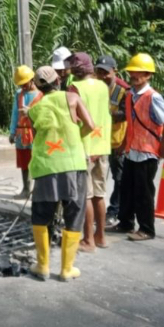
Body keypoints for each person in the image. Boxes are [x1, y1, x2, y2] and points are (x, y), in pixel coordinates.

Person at [25, 66, 95, 282]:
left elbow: (37, 137)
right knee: (73, 213)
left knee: (41, 215)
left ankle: (43, 266)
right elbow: (90, 125)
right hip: (72, 164)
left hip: (45, 166)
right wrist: (75, 136)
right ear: (58, 81)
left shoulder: (34, 108)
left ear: (38, 86)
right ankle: (66, 269)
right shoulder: (72, 97)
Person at [108, 53, 164, 241]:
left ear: (148, 75)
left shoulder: (153, 97)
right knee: (126, 188)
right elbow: (130, 123)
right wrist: (122, 144)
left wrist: (163, 146)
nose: (135, 76)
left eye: (139, 73)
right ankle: (125, 223)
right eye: (132, 72)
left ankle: (146, 229)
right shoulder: (130, 96)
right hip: (131, 151)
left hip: (148, 152)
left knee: (143, 192)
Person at [67, 52, 112, 252]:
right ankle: (101, 236)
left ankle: (88, 240)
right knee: (99, 195)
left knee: (85, 195)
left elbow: (73, 119)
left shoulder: (74, 89)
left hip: (84, 147)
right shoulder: (103, 86)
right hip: (102, 146)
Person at [94, 55, 129, 227]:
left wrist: (106, 114)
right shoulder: (94, 85)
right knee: (96, 177)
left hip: (116, 141)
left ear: (114, 70)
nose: (102, 76)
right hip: (97, 140)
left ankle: (114, 211)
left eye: (105, 73)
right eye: (98, 72)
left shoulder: (123, 90)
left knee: (119, 178)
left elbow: (126, 115)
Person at [9, 65, 42, 199]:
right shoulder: (19, 95)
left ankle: (37, 190)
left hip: (35, 134)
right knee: (24, 163)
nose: (23, 86)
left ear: (32, 80)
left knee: (37, 162)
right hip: (21, 134)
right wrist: (12, 132)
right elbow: (15, 114)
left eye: (24, 83)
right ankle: (26, 189)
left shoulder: (41, 95)